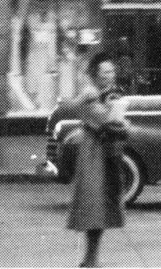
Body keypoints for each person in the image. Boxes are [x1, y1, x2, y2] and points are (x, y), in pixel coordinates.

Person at [66, 52, 130, 268]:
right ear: (95, 74)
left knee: (101, 204)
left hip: (106, 152)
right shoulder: (91, 95)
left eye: (112, 71)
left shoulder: (105, 94)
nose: (110, 76)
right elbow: (106, 121)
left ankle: (91, 258)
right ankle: (89, 259)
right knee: (95, 204)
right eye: (105, 72)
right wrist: (121, 121)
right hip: (94, 154)